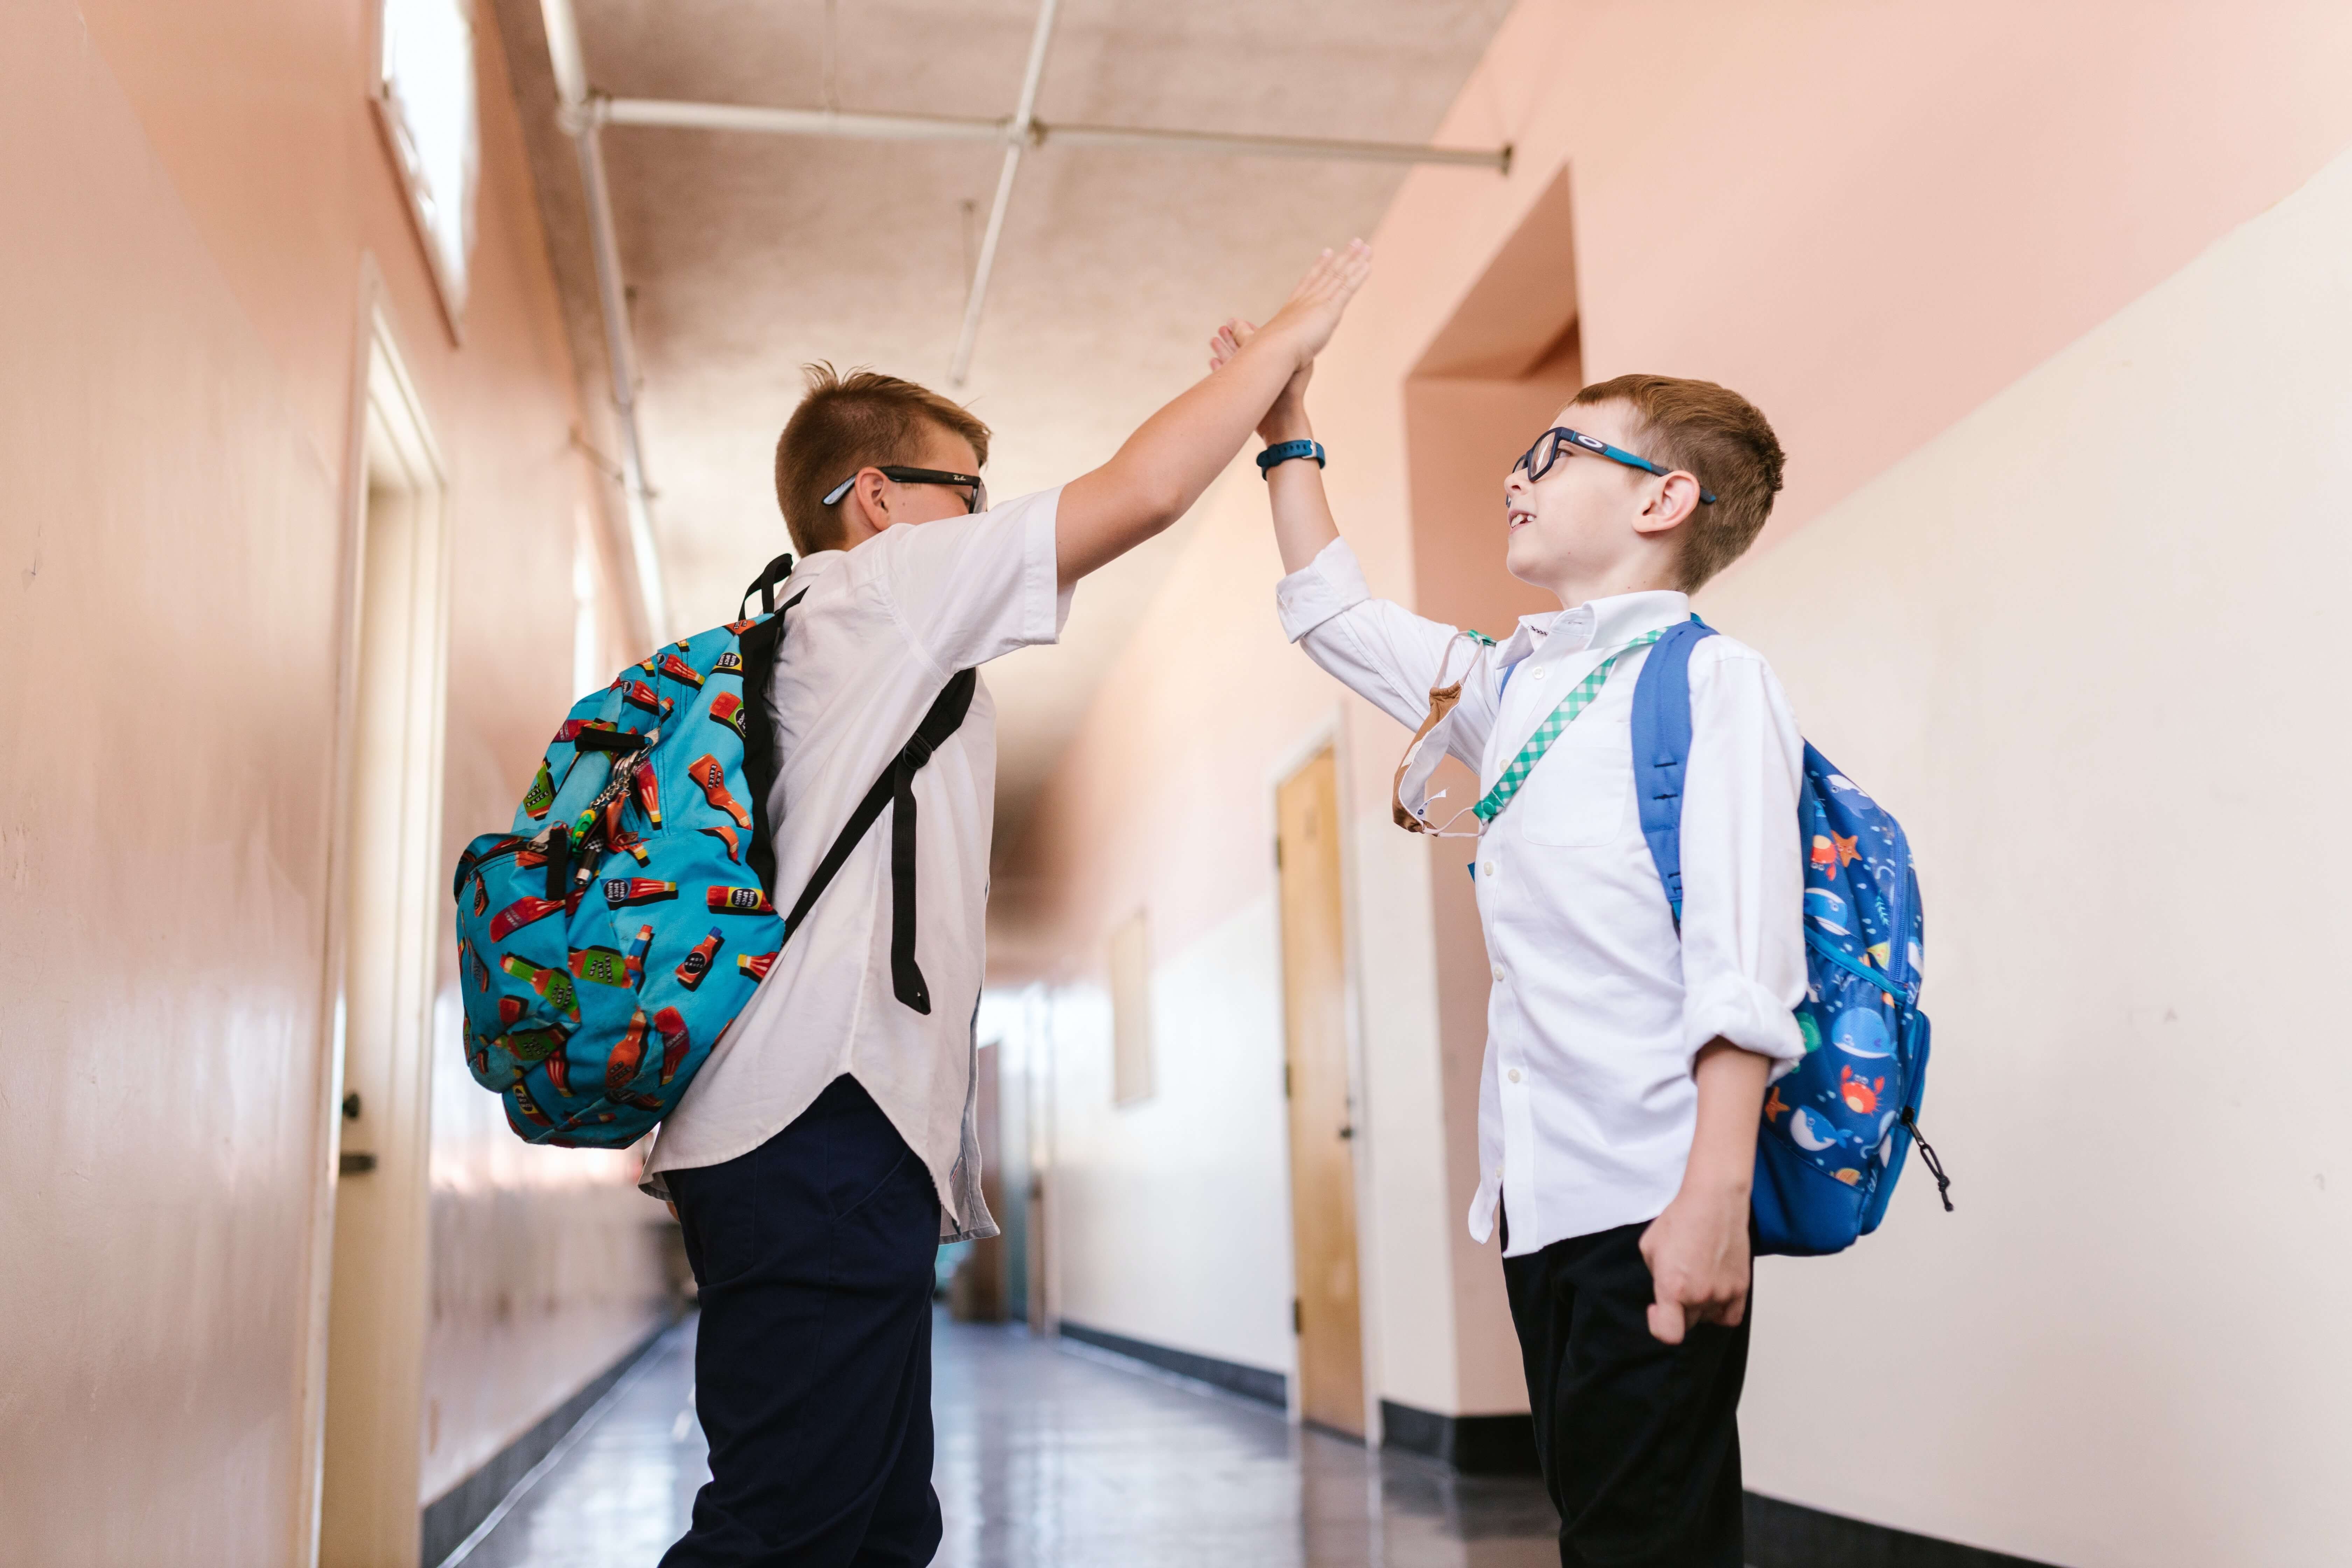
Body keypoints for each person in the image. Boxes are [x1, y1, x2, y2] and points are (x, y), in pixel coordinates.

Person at [640, 241, 1372, 1568]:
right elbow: (1143, 491)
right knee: (791, 1525)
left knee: (876, 1517)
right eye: (963, 490)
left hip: (798, 1133)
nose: (986, 514)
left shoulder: (821, 630)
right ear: (875, 498)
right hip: (818, 1124)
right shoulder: (887, 592)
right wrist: (1290, 346)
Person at [1213, 318, 1805, 1567]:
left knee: (1642, 1540)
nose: (1514, 477)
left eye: (1554, 451)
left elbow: (1744, 962)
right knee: (1614, 1527)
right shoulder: (1521, 684)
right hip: (1541, 1202)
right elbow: (1338, 620)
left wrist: (1714, 1195)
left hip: (1655, 1191)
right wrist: (1286, 437)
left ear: (1665, 499)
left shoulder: (1713, 681)